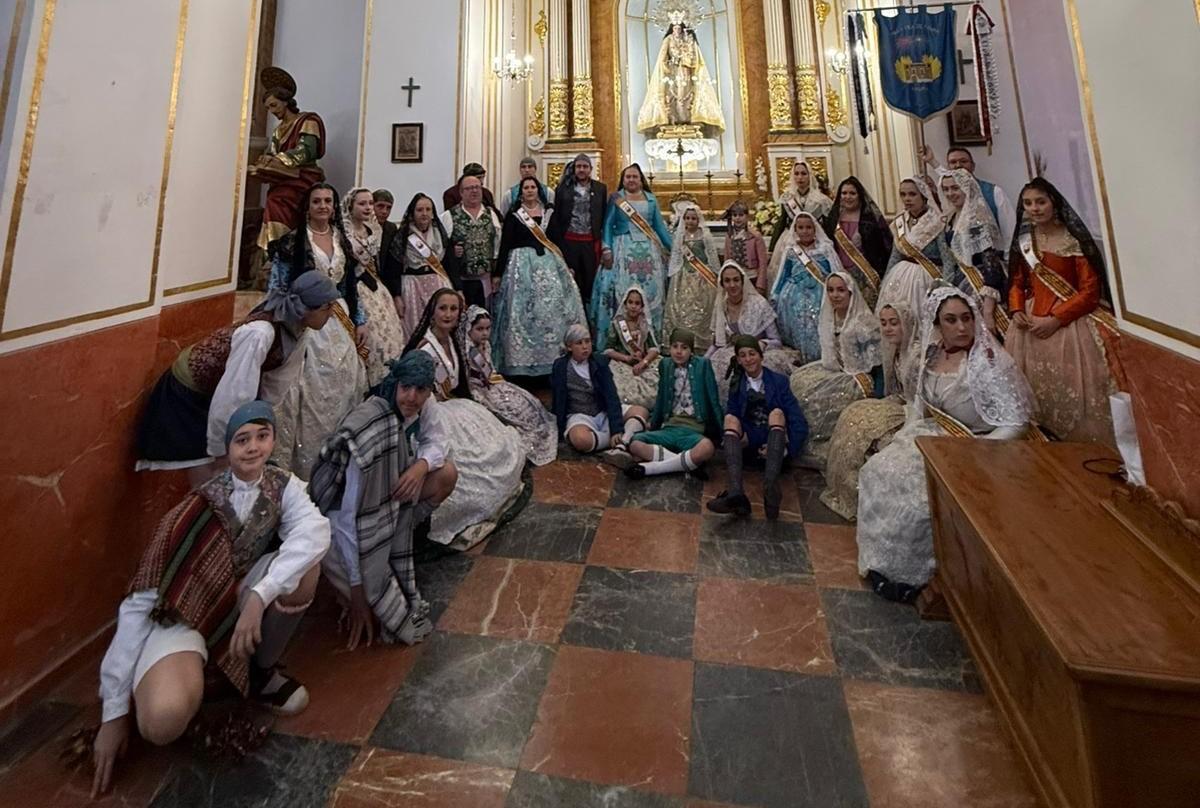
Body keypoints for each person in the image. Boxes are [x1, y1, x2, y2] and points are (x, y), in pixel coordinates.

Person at [92, 402, 330, 798]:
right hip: (183, 619)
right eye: (242, 440)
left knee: (306, 570)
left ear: (273, 439)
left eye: (262, 436)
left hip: (237, 600)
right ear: (226, 448)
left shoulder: (281, 485)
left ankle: (259, 673)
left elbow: (315, 531)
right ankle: (181, 679)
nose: (253, 448)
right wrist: (113, 713)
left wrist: (260, 595)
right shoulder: (195, 509)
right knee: (162, 723)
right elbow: (140, 602)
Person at [857, 288, 1033, 601]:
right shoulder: (933, 354)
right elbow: (920, 403)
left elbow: (1018, 423)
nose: (961, 327)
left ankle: (915, 578)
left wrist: (973, 452)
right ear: (937, 324)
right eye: (951, 320)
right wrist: (906, 436)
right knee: (878, 470)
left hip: (973, 445)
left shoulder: (989, 362)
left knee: (917, 500)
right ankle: (882, 564)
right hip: (933, 435)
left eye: (966, 318)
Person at [310, 352, 458, 651]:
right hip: (343, 524)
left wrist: (420, 467)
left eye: (420, 390)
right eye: (406, 388)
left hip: (383, 505)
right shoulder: (372, 426)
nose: (412, 397)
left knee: (447, 473)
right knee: (376, 612)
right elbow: (348, 516)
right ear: (395, 383)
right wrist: (355, 589)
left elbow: (438, 441)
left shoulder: (422, 403)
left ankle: (399, 539)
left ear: (429, 390)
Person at [136, 271, 339, 483]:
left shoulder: (297, 330)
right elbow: (234, 392)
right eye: (328, 308)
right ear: (307, 309)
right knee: (208, 467)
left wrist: (259, 419)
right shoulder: (260, 333)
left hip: (219, 390)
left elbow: (276, 384)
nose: (332, 314)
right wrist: (225, 448)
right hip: (190, 392)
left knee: (225, 470)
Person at [405, 289, 527, 549]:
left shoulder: (452, 341)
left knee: (499, 446)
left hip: (456, 406)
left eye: (454, 309)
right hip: (433, 414)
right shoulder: (425, 348)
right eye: (443, 308)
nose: (448, 314)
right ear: (432, 312)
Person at [267, 184, 369, 478]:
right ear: (307, 207)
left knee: (345, 384)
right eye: (317, 201)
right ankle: (308, 466)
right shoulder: (293, 242)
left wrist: (360, 319)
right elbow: (277, 287)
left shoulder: (341, 239)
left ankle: (340, 459)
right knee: (310, 391)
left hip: (339, 319)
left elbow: (350, 285)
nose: (323, 206)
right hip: (308, 322)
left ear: (334, 206)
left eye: (328, 201)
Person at [1006, 177, 1116, 446]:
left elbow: (1090, 292)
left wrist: (1055, 320)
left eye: (1040, 202)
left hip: (1070, 324)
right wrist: (1016, 308)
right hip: (1029, 325)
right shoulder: (1025, 240)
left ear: (1054, 203)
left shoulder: (1072, 239)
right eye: (1028, 203)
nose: (1034, 208)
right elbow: (1017, 282)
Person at [820, 301, 920, 520]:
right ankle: (844, 489)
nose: (888, 329)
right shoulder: (894, 350)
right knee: (853, 414)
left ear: (907, 323)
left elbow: (920, 400)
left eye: (894, 323)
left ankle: (856, 495)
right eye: (883, 323)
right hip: (899, 402)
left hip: (916, 412)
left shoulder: (917, 355)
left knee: (863, 426)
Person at [492, 176, 588, 376]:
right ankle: (522, 362)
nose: (529, 190)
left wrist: (568, 264)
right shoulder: (514, 216)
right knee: (523, 313)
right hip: (521, 270)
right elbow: (505, 245)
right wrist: (498, 273)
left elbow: (558, 240)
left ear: (538, 190)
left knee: (552, 310)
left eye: (533, 187)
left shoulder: (549, 214)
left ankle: (552, 359)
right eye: (526, 187)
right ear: (521, 192)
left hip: (549, 267)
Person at [707, 335, 808, 519]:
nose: (748, 359)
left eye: (752, 354)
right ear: (738, 360)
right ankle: (736, 494)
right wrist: (734, 441)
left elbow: (798, 421)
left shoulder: (778, 381)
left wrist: (786, 449)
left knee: (777, 412)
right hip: (750, 441)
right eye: (743, 355)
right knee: (729, 418)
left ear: (761, 356)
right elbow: (733, 414)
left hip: (773, 442)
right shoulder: (737, 383)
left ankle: (771, 487)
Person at [788, 271, 883, 464]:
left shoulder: (863, 322)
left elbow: (877, 363)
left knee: (815, 396)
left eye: (841, 290)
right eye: (830, 290)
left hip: (858, 378)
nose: (835, 295)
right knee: (797, 382)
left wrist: (878, 396)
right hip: (834, 369)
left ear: (850, 293)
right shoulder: (829, 316)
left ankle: (822, 443)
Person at [460, 306, 557, 466]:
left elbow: (490, 369)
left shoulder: (486, 345)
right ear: (469, 329)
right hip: (477, 389)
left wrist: (496, 381)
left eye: (487, 329)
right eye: (479, 329)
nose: (484, 333)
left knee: (525, 401)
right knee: (504, 409)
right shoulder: (466, 350)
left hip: (492, 383)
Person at [625, 328, 722, 479]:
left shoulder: (702, 365)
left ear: (691, 351)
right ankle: (687, 465)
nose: (679, 352)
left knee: (707, 448)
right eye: (675, 346)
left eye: (684, 348)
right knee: (635, 444)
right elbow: (661, 398)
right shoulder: (666, 364)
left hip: (693, 431)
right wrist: (654, 425)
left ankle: (651, 469)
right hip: (669, 428)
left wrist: (721, 432)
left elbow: (713, 399)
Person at [593, 163, 673, 342]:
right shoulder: (617, 198)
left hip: (649, 251)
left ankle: (651, 338)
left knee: (653, 292)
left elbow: (659, 227)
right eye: (627, 177)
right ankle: (619, 338)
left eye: (634, 177)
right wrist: (606, 248)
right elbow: (608, 224)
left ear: (641, 180)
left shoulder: (651, 199)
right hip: (622, 248)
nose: (631, 180)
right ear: (623, 180)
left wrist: (673, 248)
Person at [250, 68, 325, 251]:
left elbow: (306, 151)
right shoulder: (278, 130)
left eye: (274, 105)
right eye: (268, 108)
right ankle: (273, 249)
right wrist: (263, 164)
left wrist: (279, 160)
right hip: (284, 179)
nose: (272, 111)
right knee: (273, 199)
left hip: (303, 178)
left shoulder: (308, 121)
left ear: (285, 102)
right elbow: (272, 153)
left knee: (277, 200)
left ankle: (280, 247)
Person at [706, 261, 801, 405]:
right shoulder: (721, 306)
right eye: (727, 281)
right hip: (731, 353)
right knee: (716, 369)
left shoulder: (759, 304)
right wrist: (702, 361)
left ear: (743, 281)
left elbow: (776, 340)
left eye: (736, 280)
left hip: (759, 353)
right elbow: (717, 342)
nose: (732, 285)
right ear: (722, 284)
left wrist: (761, 344)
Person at [552, 323, 651, 455]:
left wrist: (616, 428)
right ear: (569, 347)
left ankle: (622, 442)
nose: (585, 347)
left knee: (640, 411)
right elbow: (558, 398)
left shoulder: (599, 362)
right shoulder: (560, 366)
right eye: (579, 343)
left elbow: (611, 396)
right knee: (580, 439)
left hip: (602, 410)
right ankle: (624, 437)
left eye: (587, 341)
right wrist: (559, 427)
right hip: (580, 414)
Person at [342, 187, 407, 386]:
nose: (368, 208)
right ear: (350, 206)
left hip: (376, 288)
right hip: (355, 289)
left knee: (389, 335)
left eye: (370, 203)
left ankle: (388, 378)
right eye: (362, 204)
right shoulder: (343, 231)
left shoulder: (372, 230)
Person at [877, 176, 954, 338]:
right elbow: (895, 255)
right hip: (899, 278)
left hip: (926, 278)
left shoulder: (937, 221)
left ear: (924, 196)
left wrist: (945, 288)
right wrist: (885, 281)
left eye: (912, 194)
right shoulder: (900, 222)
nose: (907, 199)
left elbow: (947, 258)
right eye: (903, 194)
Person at [939, 169, 1008, 334]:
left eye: (955, 188)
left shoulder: (977, 217)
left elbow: (991, 265)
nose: (950, 193)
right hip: (961, 281)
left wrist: (988, 310)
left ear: (967, 188)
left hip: (981, 283)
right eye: (946, 189)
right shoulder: (951, 216)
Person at [769, 211, 840, 363]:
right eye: (800, 228)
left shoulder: (825, 250)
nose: (805, 231)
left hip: (820, 293)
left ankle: (820, 357)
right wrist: (776, 294)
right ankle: (800, 357)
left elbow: (835, 273)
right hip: (793, 296)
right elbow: (783, 275)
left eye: (808, 227)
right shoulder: (791, 251)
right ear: (795, 230)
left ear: (815, 229)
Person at [636, 21, 726, 135]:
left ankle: (686, 118)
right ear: (672, 29)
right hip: (672, 72)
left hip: (686, 71)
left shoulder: (688, 39)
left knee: (685, 94)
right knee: (672, 95)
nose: (677, 31)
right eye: (675, 28)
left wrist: (685, 59)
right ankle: (673, 118)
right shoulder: (668, 39)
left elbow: (695, 57)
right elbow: (662, 57)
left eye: (679, 28)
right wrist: (668, 65)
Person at [382, 192, 453, 334]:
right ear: (412, 213)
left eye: (428, 209)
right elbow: (393, 269)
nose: (424, 213)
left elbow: (450, 264)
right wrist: (397, 296)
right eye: (420, 210)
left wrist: (458, 289)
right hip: (412, 287)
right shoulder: (403, 236)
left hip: (438, 285)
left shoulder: (440, 234)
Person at [547, 153, 608, 316]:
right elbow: (557, 216)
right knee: (571, 280)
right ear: (574, 168)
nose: (581, 170)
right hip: (569, 241)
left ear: (590, 169)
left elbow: (603, 214)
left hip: (590, 241)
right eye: (578, 166)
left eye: (585, 166)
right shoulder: (562, 189)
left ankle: (590, 316)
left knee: (590, 280)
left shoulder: (600, 189)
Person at [822, 176, 892, 310]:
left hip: (865, 277)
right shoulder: (833, 219)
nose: (847, 197)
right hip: (840, 274)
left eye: (852, 193)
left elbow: (882, 249)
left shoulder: (869, 220)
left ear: (860, 196)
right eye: (844, 193)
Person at [921, 145, 1016, 243]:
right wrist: (932, 161)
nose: (958, 165)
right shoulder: (950, 197)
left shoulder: (994, 192)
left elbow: (1009, 229)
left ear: (973, 166)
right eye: (953, 162)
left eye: (963, 161)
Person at [663, 202, 719, 352]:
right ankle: (681, 340)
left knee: (702, 308)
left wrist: (715, 272)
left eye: (693, 218)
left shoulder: (705, 235)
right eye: (687, 218)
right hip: (683, 277)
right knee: (682, 308)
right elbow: (676, 254)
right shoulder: (680, 235)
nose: (690, 221)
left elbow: (711, 255)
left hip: (702, 276)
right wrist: (673, 272)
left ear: (698, 219)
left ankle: (701, 343)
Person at [440, 173, 502, 308]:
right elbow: (441, 247)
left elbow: (498, 246)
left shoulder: (491, 214)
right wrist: (452, 251)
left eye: (477, 187)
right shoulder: (449, 216)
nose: (474, 191)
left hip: (485, 280)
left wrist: (497, 274)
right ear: (461, 192)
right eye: (469, 188)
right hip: (460, 281)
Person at [603, 285, 661, 410]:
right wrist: (627, 358)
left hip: (643, 364)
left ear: (642, 306)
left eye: (637, 303)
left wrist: (644, 362)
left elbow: (654, 349)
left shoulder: (645, 323)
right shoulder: (617, 323)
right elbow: (608, 350)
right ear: (625, 304)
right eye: (630, 302)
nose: (633, 306)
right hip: (622, 364)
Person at [769, 158, 834, 254]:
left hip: (816, 241)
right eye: (796, 174)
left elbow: (828, 226)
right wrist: (771, 248)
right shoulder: (787, 198)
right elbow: (781, 223)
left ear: (809, 176)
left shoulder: (821, 200)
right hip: (792, 241)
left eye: (803, 174)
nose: (800, 177)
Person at [724, 201, 769, 293]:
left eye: (741, 215)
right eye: (735, 215)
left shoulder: (755, 236)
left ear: (747, 216)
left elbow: (762, 262)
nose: (737, 218)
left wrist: (760, 284)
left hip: (752, 277)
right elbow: (727, 260)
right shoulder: (729, 237)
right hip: (735, 280)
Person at [372, 189, 399, 266]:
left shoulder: (391, 228)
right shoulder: (360, 227)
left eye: (388, 208)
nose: (384, 211)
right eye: (380, 206)